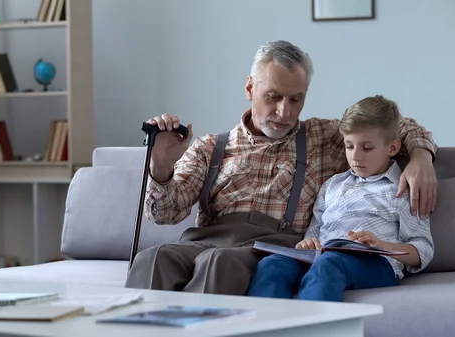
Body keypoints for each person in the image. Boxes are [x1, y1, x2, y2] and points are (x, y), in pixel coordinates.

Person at [124, 40, 438, 295]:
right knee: (153, 258)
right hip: (204, 240)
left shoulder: (322, 137)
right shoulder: (210, 146)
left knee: (218, 263)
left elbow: (394, 126)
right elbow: (165, 213)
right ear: (250, 89)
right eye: (273, 97)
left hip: (269, 246)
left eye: (296, 100)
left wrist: (421, 157)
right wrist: (161, 165)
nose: (284, 112)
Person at [246, 95, 435, 302]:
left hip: (376, 263)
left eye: (367, 147)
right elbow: (316, 229)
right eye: (349, 146)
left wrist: (382, 245)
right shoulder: (333, 185)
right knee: (272, 264)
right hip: (323, 257)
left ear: (392, 148)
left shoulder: (403, 189)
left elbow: (423, 249)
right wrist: (309, 242)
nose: (355, 157)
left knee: (329, 263)